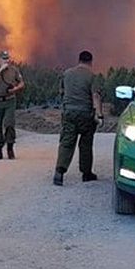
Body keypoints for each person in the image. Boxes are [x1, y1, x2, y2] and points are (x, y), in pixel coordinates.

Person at [52, 50, 102, 186]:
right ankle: (86, 174)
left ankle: (59, 172)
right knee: (86, 144)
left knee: (66, 142)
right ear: (91, 62)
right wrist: (99, 114)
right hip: (85, 115)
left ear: (79, 60)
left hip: (68, 113)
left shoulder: (67, 74)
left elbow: (61, 92)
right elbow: (95, 96)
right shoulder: (92, 76)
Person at [0, 49, 25, 160]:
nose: (6, 61)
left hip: (10, 100)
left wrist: (16, 88)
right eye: (4, 59)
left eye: (7, 58)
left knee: (9, 124)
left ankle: (10, 148)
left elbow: (22, 82)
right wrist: (0, 70)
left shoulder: (14, 70)